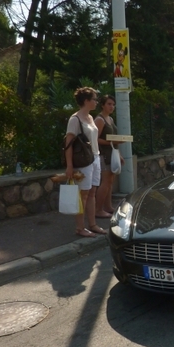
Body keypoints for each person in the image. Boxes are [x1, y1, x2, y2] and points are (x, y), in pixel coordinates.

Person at [64, 87, 106, 238]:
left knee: (92, 192)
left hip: (95, 158)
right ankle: (80, 228)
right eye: (94, 99)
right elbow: (68, 144)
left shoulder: (90, 117)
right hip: (83, 162)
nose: (96, 102)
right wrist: (69, 166)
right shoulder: (75, 119)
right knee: (83, 194)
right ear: (86, 101)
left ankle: (93, 224)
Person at [94, 94, 123, 217]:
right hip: (104, 154)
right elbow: (94, 139)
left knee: (110, 181)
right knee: (105, 182)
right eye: (109, 104)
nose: (112, 107)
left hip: (112, 153)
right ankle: (98, 210)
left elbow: (114, 140)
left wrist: (119, 154)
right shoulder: (99, 120)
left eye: (113, 104)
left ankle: (108, 206)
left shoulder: (110, 119)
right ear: (102, 105)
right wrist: (111, 142)